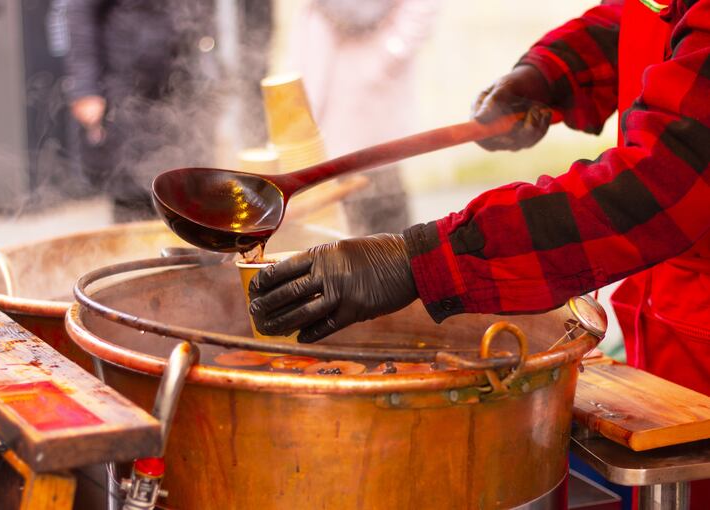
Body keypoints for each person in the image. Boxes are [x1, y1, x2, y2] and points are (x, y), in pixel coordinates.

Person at [249, 1, 710, 504]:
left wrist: (426, 260)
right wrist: (550, 71)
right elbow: (646, 15)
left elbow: (664, 180)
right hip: (670, 320)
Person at [65, 0, 272, 222]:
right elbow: (81, 10)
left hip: (186, 83)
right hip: (129, 89)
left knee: (192, 189)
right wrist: (85, 87)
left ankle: (187, 253)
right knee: (134, 195)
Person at [288, 0, 439, 235]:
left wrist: (391, 51)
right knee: (337, 203)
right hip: (325, 60)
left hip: (371, 67)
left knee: (379, 187)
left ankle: (398, 262)